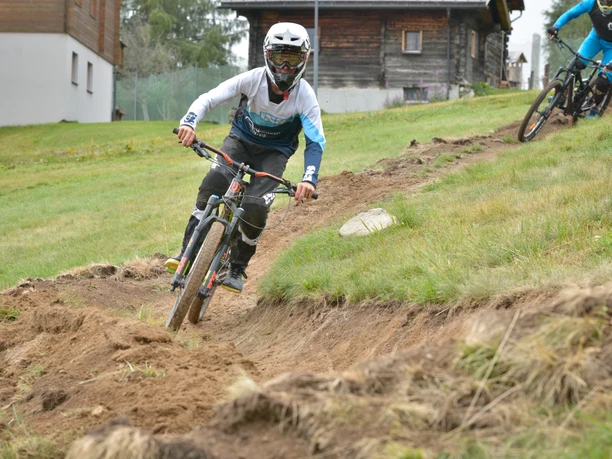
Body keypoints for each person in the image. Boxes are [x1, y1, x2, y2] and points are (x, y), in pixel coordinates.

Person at [166, 22, 326, 294]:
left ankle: (237, 267)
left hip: (275, 154)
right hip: (240, 141)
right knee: (214, 180)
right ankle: (187, 253)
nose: (284, 67)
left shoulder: (305, 96)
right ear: (267, 56)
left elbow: (315, 142)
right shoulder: (252, 79)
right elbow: (209, 98)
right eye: (279, 57)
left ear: (304, 60)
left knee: (256, 207)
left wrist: (309, 179)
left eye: (292, 59)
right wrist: (189, 123)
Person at [548, 0, 612, 119]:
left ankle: (596, 106)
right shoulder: (590, 3)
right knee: (575, 64)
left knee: (603, 79)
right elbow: (570, 13)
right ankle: (562, 96)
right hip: (596, 38)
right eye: (603, 1)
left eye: (609, 2)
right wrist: (556, 26)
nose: (606, 5)